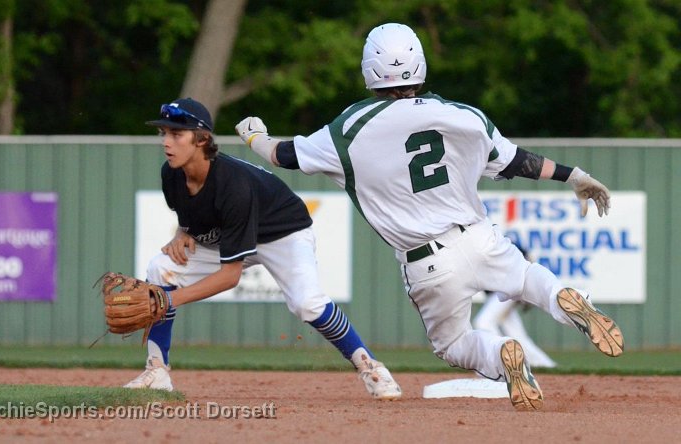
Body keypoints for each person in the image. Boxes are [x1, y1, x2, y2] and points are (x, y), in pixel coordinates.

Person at [234, 23, 623, 411]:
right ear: (419, 64)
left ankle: (501, 352)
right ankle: (560, 296)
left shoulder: (350, 128)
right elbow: (518, 161)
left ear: (369, 69)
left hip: (428, 261)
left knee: (453, 345)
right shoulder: (463, 115)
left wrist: (255, 136)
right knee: (524, 276)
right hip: (478, 235)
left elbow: (282, 156)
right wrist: (574, 175)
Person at [124, 97, 402, 400]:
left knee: (308, 304)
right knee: (160, 268)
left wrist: (169, 299)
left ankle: (370, 367)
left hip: (283, 232)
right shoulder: (171, 174)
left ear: (202, 139)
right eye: (163, 133)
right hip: (235, 233)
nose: (166, 142)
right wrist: (183, 232)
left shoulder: (233, 185)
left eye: (177, 134)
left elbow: (230, 276)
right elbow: (192, 215)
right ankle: (157, 372)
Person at [472, 245, 557, 369]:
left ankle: (501, 360)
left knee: (483, 322)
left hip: (506, 290)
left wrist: (528, 288)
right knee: (517, 334)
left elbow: (527, 259)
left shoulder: (498, 243)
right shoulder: (472, 247)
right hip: (499, 293)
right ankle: (546, 365)